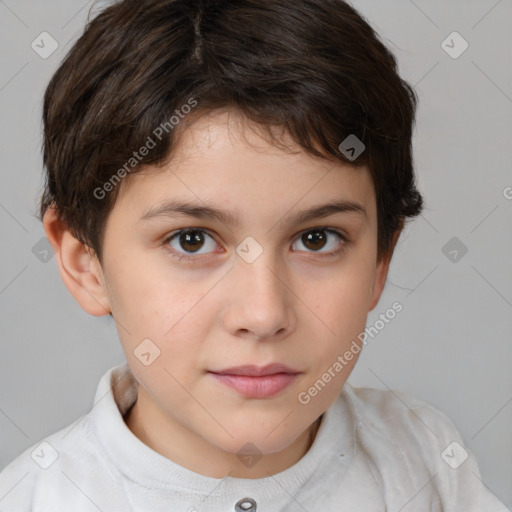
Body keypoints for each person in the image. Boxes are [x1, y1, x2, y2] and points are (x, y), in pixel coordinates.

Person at [0, 0, 508, 510]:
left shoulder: (423, 460)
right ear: (85, 262)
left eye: (316, 239)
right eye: (192, 240)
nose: (264, 315)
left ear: (380, 259)